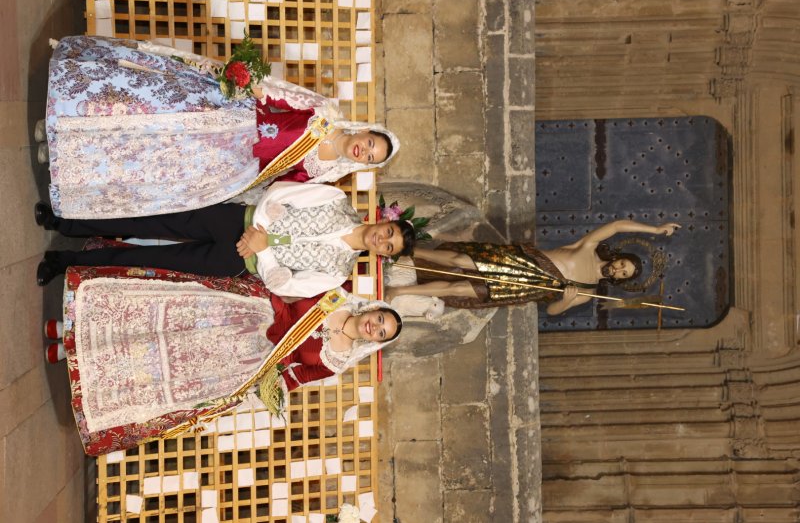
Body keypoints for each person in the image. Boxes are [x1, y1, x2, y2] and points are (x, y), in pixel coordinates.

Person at [49, 267, 401, 456]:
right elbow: (289, 286)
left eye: (381, 334)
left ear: (376, 342)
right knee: (160, 326)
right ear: (375, 309)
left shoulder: (336, 361)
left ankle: (75, 358)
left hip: (245, 362)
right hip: (245, 315)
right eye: (381, 320)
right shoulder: (334, 295)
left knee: (163, 364)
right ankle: (70, 328)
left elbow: (295, 378)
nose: (375, 327)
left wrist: (265, 386)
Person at [41, 35, 400, 219]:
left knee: (141, 157)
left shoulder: (324, 173)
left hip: (226, 163)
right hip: (228, 114)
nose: (364, 150)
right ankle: (57, 119)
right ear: (365, 131)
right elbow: (280, 96)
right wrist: (250, 84)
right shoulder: (324, 113)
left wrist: (261, 203)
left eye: (370, 157)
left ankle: (61, 156)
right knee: (140, 106)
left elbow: (279, 188)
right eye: (370, 143)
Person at [35, 181, 416, 297]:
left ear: (381, 255)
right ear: (383, 221)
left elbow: (285, 283)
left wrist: (260, 252)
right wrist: (258, 230)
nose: (383, 240)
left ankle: (63, 262)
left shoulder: (337, 273)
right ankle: (66, 222)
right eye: (389, 233)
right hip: (233, 220)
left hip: (236, 261)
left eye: (388, 247)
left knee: (153, 262)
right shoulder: (336, 200)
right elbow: (282, 195)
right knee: (151, 221)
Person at [385, 220, 680, 315]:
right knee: (460, 261)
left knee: (461, 288)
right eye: (621, 265)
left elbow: (552, 311)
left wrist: (566, 298)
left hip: (521, 288)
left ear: (620, 280)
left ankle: (398, 289)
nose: (617, 271)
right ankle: (407, 250)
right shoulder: (587, 248)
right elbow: (616, 226)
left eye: (623, 274)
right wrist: (654, 230)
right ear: (618, 258)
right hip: (518, 263)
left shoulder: (590, 292)